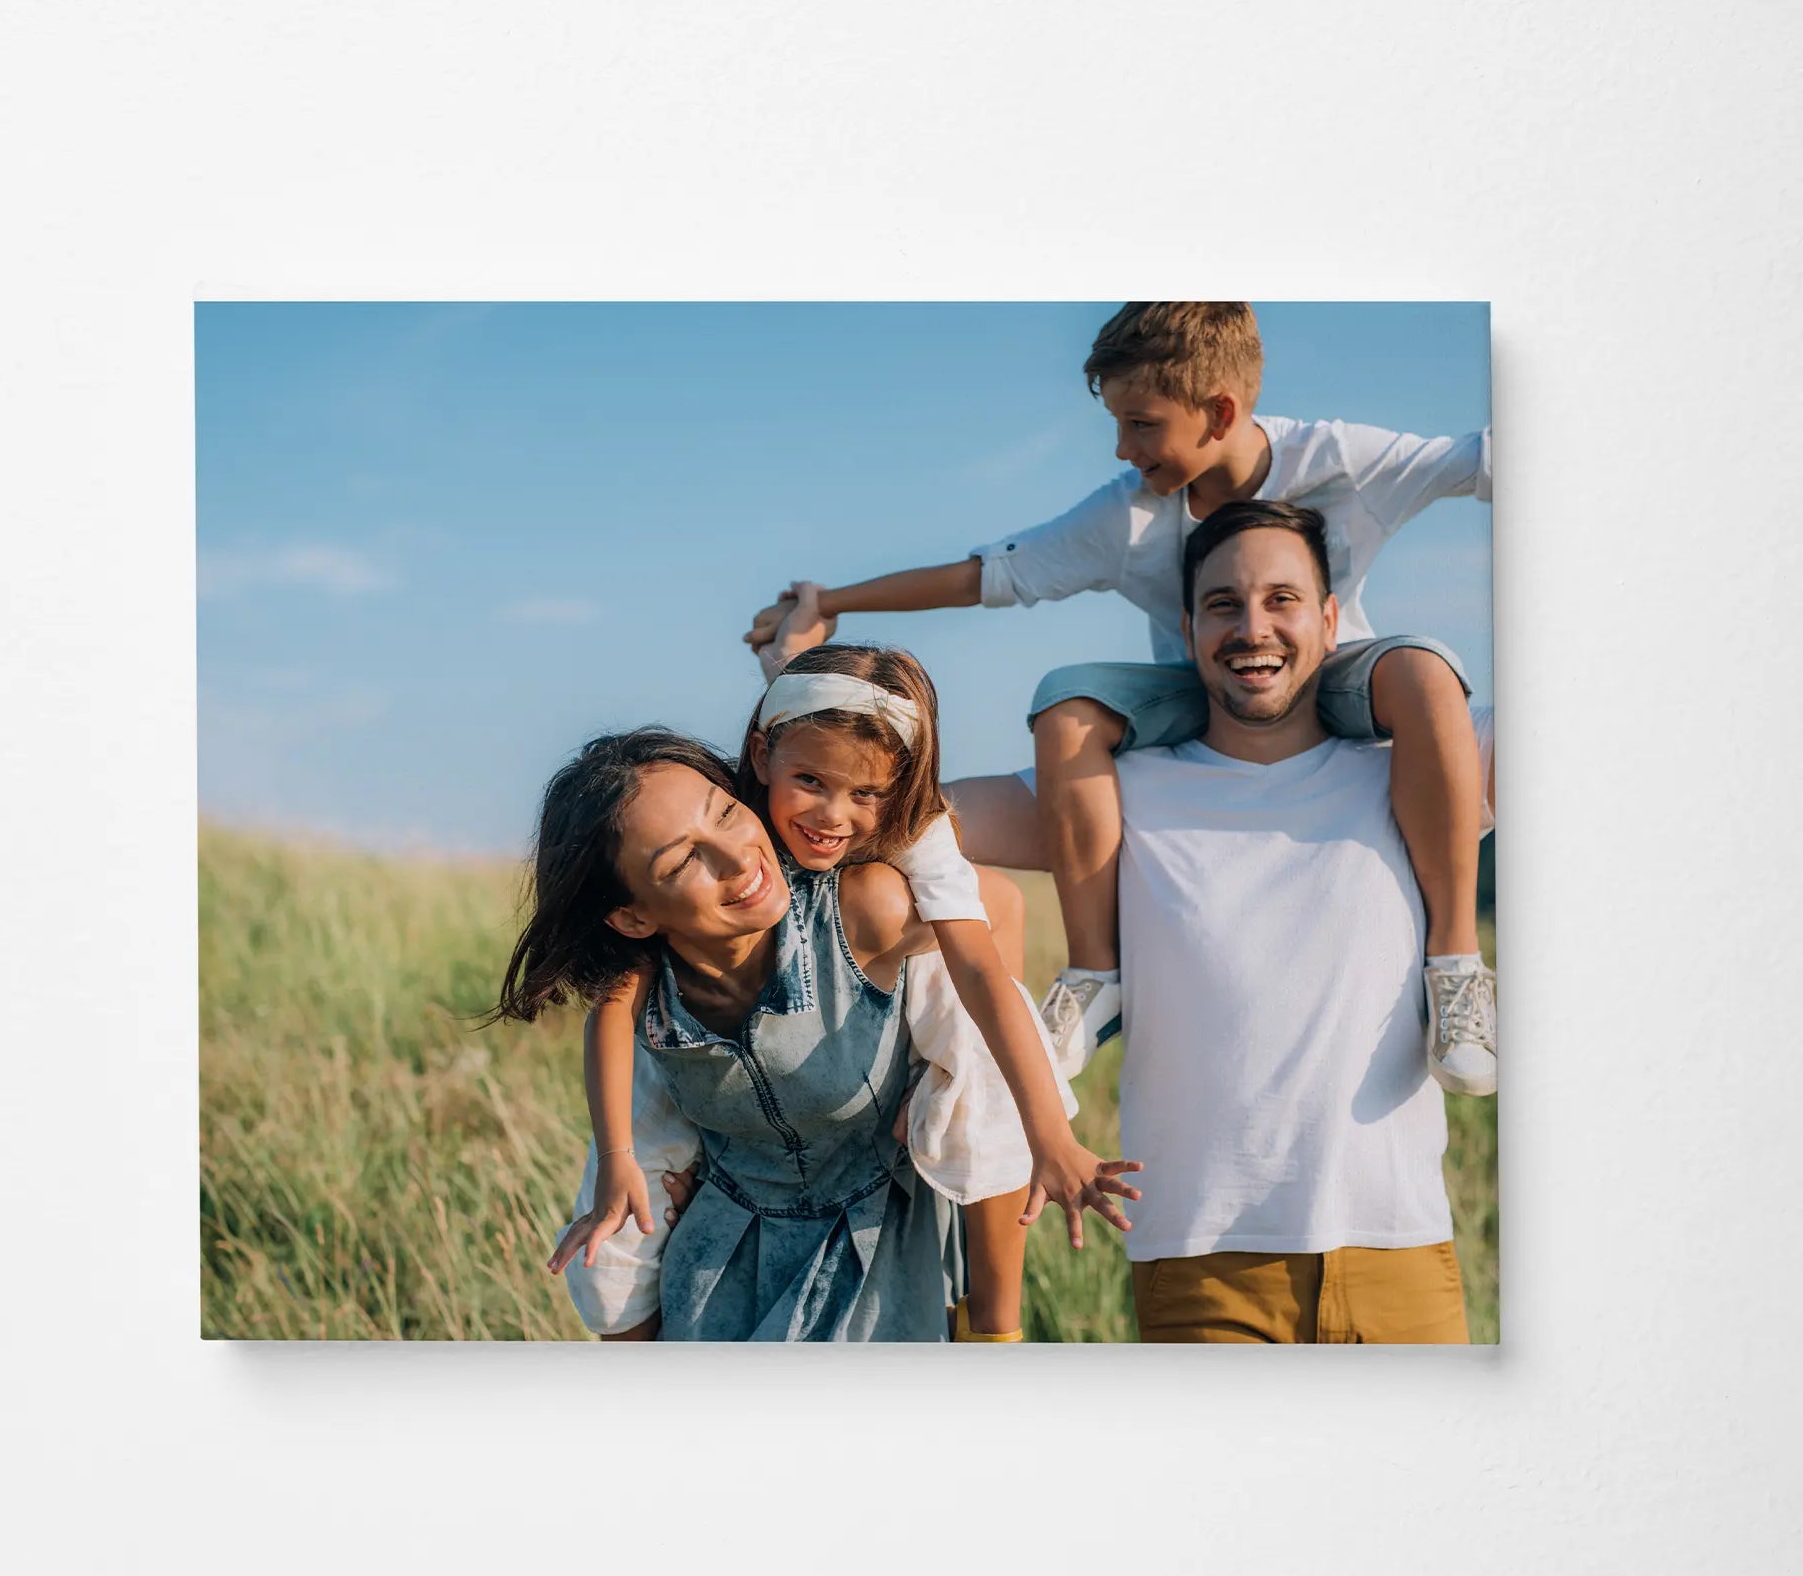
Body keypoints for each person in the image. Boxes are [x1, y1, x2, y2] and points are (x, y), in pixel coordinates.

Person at [742, 302, 1495, 1096]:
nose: (1123, 449)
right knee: (1067, 705)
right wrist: (835, 600)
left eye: (1141, 425)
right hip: (1191, 695)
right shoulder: (1129, 515)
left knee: (1423, 673)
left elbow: (1480, 460)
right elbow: (988, 576)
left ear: (1222, 412)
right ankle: (1097, 972)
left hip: (1336, 679)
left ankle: (1455, 963)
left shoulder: (1342, 459)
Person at [494, 728, 1137, 1342]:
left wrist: (950, 1070)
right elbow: (607, 1030)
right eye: (685, 858)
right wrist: (621, 1164)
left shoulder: (863, 912)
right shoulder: (647, 987)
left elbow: (1000, 908)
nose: (736, 856)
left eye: (724, 813)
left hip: (882, 1251)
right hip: (722, 1262)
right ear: (633, 916)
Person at [1113, 500, 1495, 1343]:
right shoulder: (1124, 789)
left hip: (1399, 1250)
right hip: (1203, 1264)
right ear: (1186, 628)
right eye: (1224, 605)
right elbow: (914, 812)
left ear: (1331, 622)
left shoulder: (1417, 771)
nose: (1253, 628)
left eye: (1282, 599)